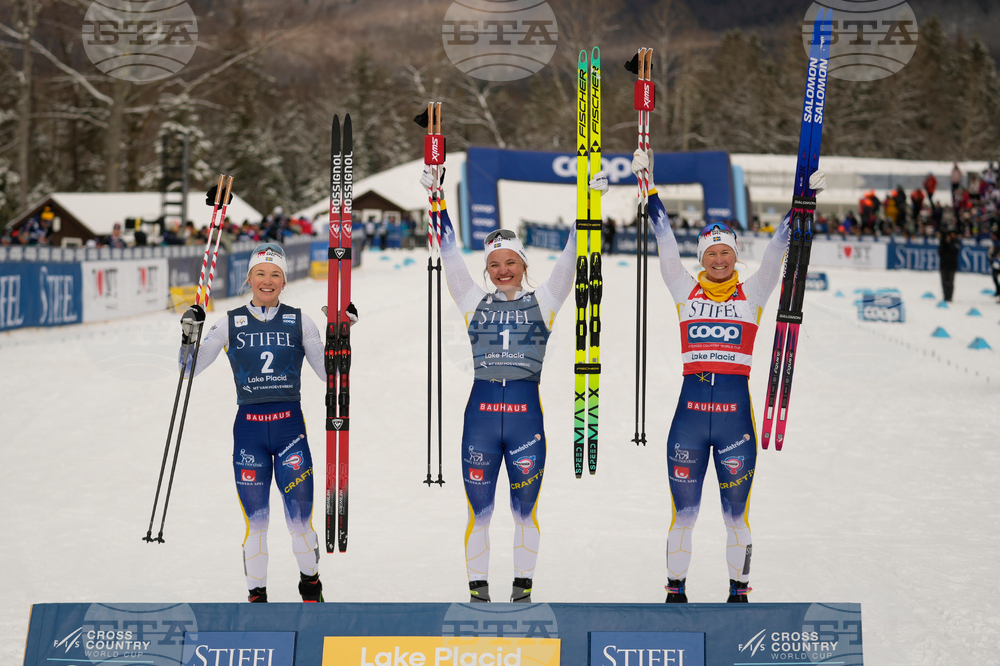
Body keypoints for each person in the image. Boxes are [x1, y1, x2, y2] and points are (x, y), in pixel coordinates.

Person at [626, 147, 824, 604]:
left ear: (736, 256)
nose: (719, 260)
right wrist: (647, 184)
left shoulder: (753, 293)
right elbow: (665, 239)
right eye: (712, 253)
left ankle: (739, 592)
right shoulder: (682, 287)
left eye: (726, 253)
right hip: (688, 422)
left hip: (736, 420)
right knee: (684, 515)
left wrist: (802, 205)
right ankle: (675, 591)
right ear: (703, 256)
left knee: (737, 515)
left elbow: (777, 250)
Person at [419, 165, 578, 604]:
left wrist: (588, 203)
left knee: (525, 513)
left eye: (510, 262)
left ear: (524, 264)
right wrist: (437, 200)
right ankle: (478, 597)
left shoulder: (544, 301)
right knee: (479, 514)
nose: (503, 270)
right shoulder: (473, 301)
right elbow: (450, 255)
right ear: (486, 271)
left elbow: (570, 258)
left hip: (527, 423)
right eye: (494, 265)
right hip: (481, 424)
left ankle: (522, 593)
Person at [178, 242, 354, 603]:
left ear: (285, 281)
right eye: (261, 273)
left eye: (276, 274)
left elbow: (329, 376)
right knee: (256, 523)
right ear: (249, 278)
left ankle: (311, 584)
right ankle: (257, 597)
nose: (268, 280)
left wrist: (341, 333)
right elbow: (187, 369)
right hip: (249, 433)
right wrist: (188, 337)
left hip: (290, 431)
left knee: (299, 522)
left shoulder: (299, 320)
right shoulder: (229, 323)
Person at [938, 228, 962, 302]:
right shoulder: (943, 242)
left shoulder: (956, 242)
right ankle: (945, 296)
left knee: (950, 282)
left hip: (952, 265)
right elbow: (940, 252)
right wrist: (945, 242)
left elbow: (955, 250)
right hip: (943, 265)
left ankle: (950, 297)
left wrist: (949, 243)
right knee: (944, 281)